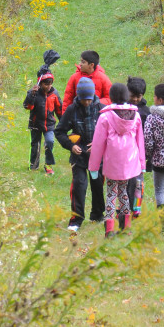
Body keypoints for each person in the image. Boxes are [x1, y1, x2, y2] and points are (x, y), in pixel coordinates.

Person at [89, 83, 146, 238]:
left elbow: (98, 144)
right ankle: (126, 228)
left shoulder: (105, 117)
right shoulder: (136, 115)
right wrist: (142, 164)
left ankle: (109, 229)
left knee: (111, 194)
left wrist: (93, 167)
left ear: (111, 97)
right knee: (124, 194)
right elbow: (140, 141)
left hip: (112, 163)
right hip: (129, 163)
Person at [55, 76, 105, 232]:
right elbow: (60, 132)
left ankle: (97, 215)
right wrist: (71, 146)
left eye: (89, 99)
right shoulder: (72, 110)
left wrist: (98, 145)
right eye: (84, 100)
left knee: (97, 185)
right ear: (79, 97)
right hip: (79, 155)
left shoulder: (102, 109)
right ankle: (76, 220)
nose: (87, 102)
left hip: (97, 156)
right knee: (79, 185)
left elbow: (110, 133)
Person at [23, 72, 62, 174]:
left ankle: (48, 165)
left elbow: (59, 110)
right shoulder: (33, 93)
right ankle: (33, 166)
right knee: (35, 145)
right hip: (35, 124)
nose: (49, 86)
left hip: (49, 125)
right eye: (46, 84)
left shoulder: (54, 94)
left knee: (50, 142)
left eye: (50, 84)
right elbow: (28, 106)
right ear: (40, 84)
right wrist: (32, 95)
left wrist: (63, 122)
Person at [126, 76, 151, 218]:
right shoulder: (121, 108)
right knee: (124, 180)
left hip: (140, 153)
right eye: (132, 96)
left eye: (138, 96)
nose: (135, 99)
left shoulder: (146, 112)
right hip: (124, 152)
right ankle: (125, 207)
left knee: (137, 181)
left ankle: (136, 207)